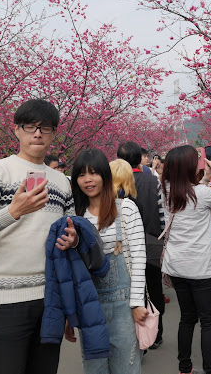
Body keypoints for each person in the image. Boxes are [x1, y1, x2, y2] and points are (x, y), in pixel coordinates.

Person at [0, 99, 78, 374]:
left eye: (45, 128)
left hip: (50, 300)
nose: (37, 133)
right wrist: (13, 211)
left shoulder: (62, 182)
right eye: (29, 126)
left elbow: (70, 232)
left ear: (54, 133)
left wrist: (74, 239)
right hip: (2, 302)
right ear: (16, 130)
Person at [65, 150, 147, 373]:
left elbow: (139, 257)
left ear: (105, 175)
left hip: (123, 305)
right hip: (89, 305)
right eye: (81, 175)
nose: (88, 179)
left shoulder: (126, 208)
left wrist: (138, 303)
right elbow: (71, 268)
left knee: (126, 367)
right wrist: (69, 312)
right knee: (95, 368)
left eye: (93, 173)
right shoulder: (74, 215)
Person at [161, 145, 211, 374]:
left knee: (187, 319)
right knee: (209, 322)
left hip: (177, 267)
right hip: (201, 268)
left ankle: (185, 367)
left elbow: (192, 194)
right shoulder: (200, 193)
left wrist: (206, 179)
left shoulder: (168, 191)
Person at [117, 141, 166, 348]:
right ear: (140, 159)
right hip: (151, 241)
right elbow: (162, 214)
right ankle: (156, 334)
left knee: (131, 289)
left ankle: (134, 335)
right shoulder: (152, 181)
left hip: (124, 244)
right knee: (154, 289)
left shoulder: (115, 183)